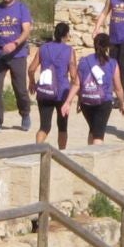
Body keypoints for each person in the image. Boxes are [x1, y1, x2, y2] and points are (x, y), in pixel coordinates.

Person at [0, 0, 35, 135]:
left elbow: (26, 30)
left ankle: (25, 113)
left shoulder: (22, 9)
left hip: (17, 54)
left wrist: (15, 43)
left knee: (20, 89)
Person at [29, 22, 77, 151]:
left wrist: (32, 83)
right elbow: (73, 75)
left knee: (44, 126)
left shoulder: (43, 48)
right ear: (66, 35)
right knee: (62, 126)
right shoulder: (69, 51)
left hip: (45, 90)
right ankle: (62, 153)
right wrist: (76, 91)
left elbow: (31, 69)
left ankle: (37, 150)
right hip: (62, 92)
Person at [74, 34, 124, 144]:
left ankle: (89, 157)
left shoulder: (84, 61)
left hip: (86, 101)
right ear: (108, 46)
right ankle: (96, 159)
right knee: (98, 136)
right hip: (103, 101)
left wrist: (79, 100)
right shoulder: (112, 63)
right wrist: (122, 103)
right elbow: (118, 87)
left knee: (93, 130)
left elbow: (79, 84)